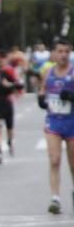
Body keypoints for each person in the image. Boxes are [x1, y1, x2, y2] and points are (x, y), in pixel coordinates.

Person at [38, 38, 74, 214]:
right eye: (60, 51)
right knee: (54, 159)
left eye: (66, 52)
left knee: (73, 163)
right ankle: (55, 198)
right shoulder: (49, 71)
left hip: (72, 122)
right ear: (54, 53)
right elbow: (43, 90)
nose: (63, 55)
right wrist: (41, 99)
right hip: (53, 121)